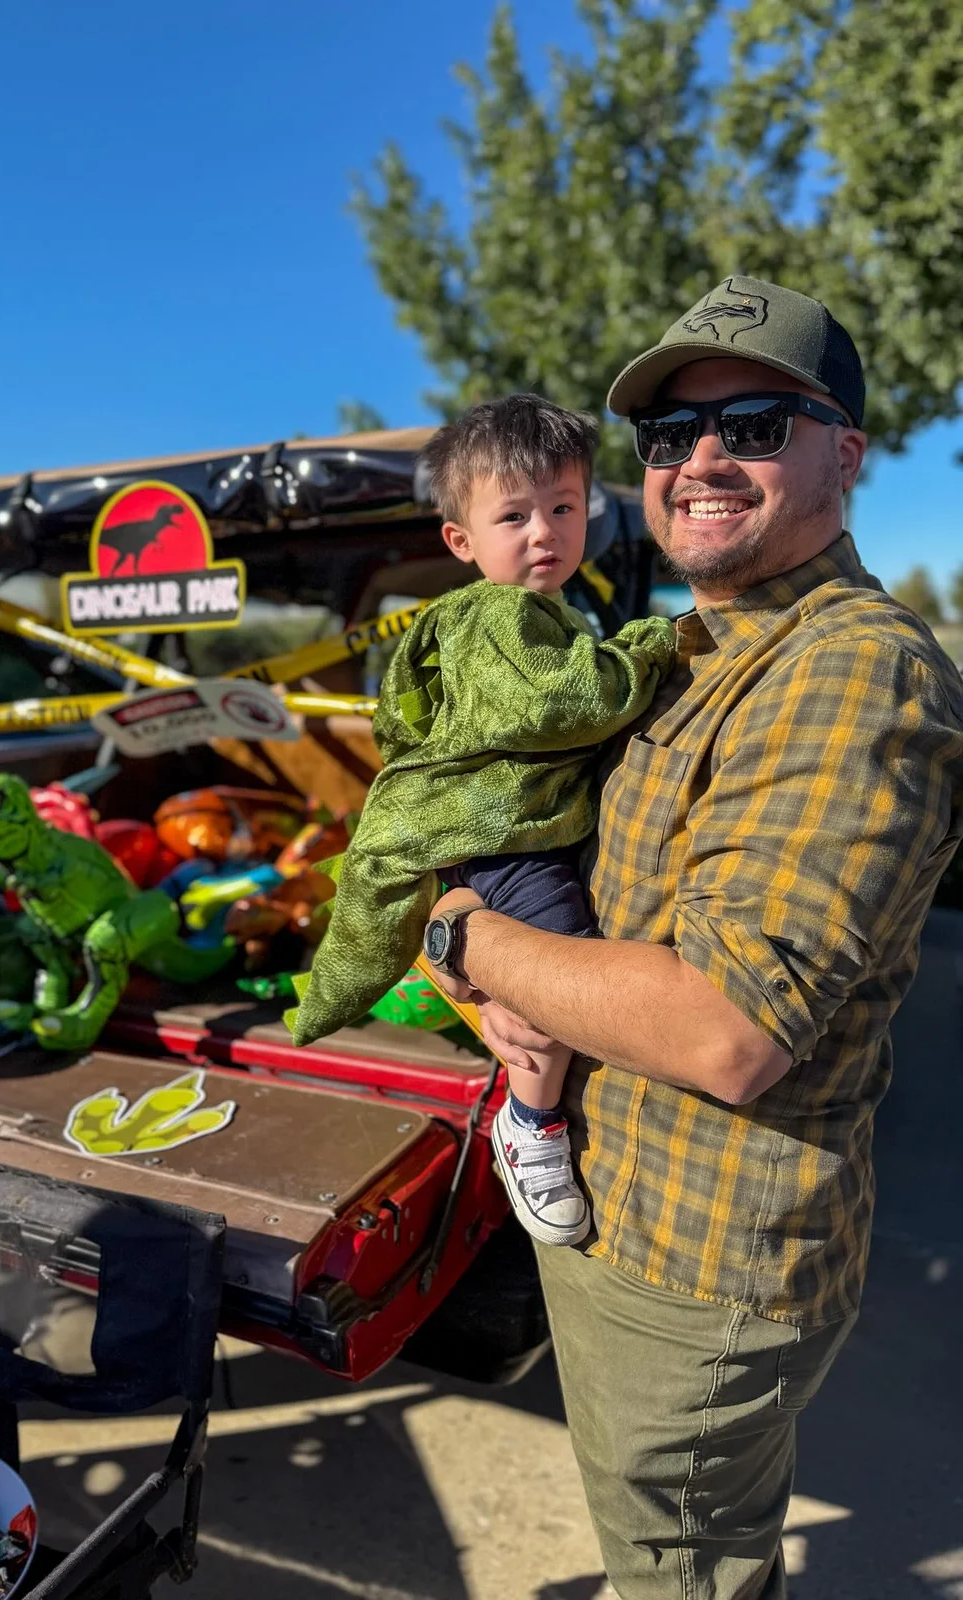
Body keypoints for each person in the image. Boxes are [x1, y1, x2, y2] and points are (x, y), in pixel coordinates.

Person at [422, 275, 963, 1598]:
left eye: (757, 423)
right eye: (670, 437)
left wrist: (457, 938)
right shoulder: (686, 648)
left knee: (683, 1573)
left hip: (699, 1254)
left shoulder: (853, 666)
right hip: (620, 1205)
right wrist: (524, 984)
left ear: (848, 450)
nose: (702, 458)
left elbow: (723, 1031)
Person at [288, 396, 675, 1247]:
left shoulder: (529, 614)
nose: (544, 532)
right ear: (461, 541)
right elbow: (566, 703)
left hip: (501, 837)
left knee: (531, 970)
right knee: (555, 964)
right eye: (514, 515)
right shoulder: (499, 615)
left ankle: (519, 1065)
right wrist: (649, 649)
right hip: (503, 839)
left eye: (562, 508)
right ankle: (528, 1126)